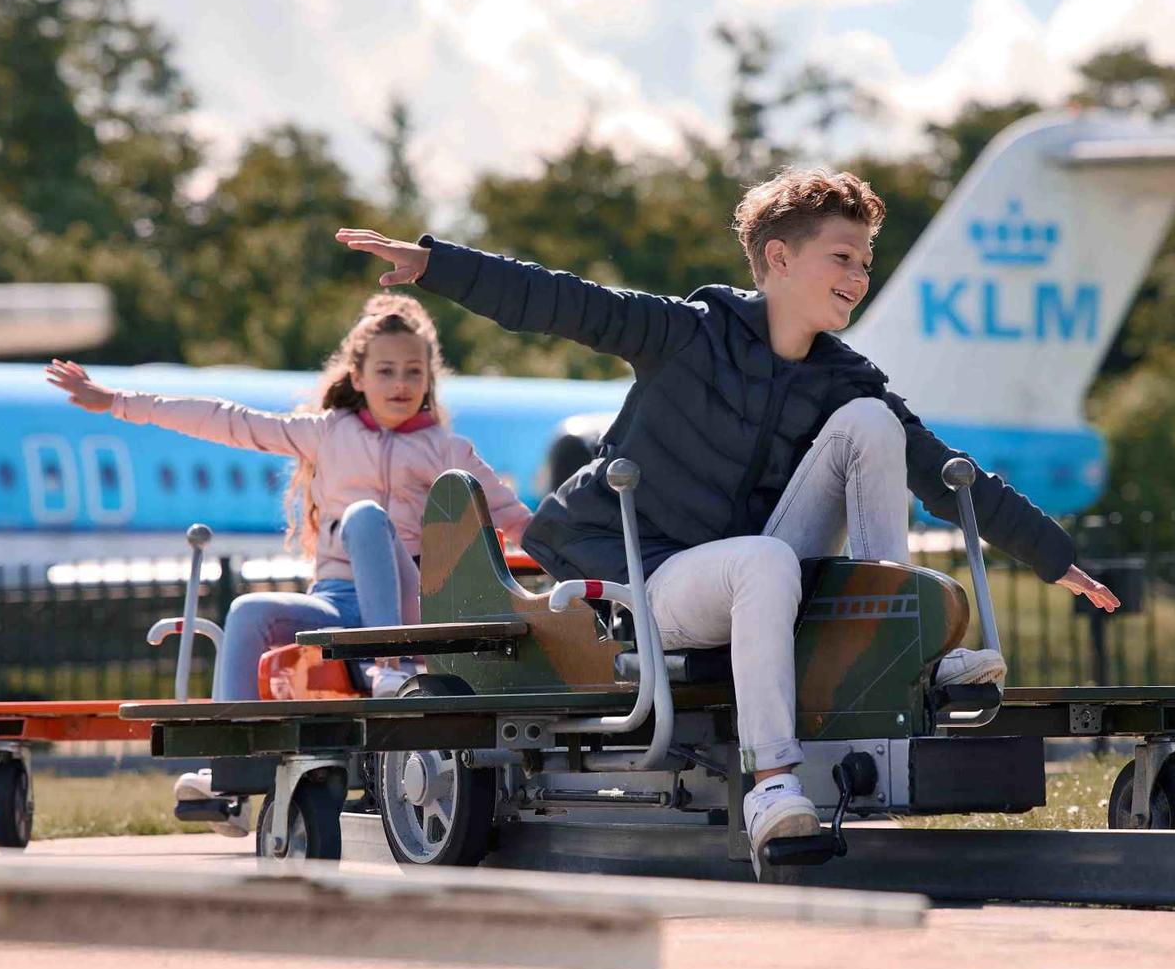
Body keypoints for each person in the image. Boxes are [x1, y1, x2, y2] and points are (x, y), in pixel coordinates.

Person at [338, 168, 1119, 872]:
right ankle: (772, 786)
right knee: (762, 561)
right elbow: (559, 300)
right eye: (842, 258)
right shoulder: (688, 332)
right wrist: (436, 265)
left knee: (873, 425)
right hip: (652, 579)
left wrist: (1055, 556)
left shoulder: (842, 377)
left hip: (752, 562)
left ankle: (899, 649)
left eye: (865, 261)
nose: (860, 277)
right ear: (779, 259)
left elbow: (947, 476)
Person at [45, 293, 530, 835]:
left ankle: (386, 668)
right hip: (338, 602)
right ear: (358, 377)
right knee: (249, 611)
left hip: (409, 606)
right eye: (386, 370)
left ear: (429, 379)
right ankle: (230, 776)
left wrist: (584, 557)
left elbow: (515, 519)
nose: (400, 383)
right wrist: (116, 401)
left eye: (413, 371)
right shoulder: (327, 433)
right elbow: (229, 421)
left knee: (365, 517)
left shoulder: (447, 449)